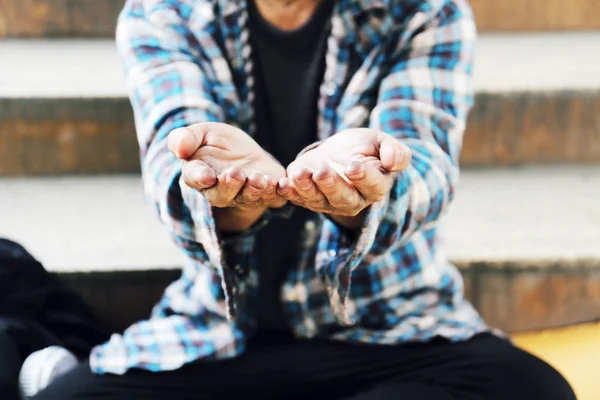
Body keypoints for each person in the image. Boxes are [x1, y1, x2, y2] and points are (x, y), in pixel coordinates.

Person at [34, 0, 576, 399]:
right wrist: (232, 198)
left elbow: (427, 166)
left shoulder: (426, 11)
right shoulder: (164, 14)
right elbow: (171, 170)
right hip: (220, 339)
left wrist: (370, 186)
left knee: (532, 390)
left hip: (387, 335)